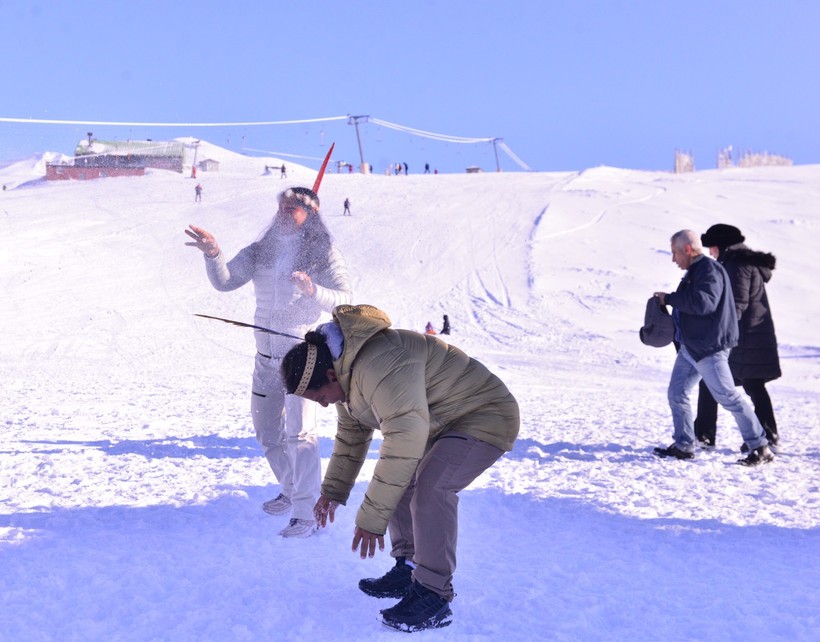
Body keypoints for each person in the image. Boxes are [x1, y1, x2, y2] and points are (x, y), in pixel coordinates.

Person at [280, 304, 519, 632]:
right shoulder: (347, 378)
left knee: (433, 488)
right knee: (405, 481)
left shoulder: (380, 363)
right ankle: (408, 567)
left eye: (319, 395)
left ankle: (434, 595)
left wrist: (371, 521)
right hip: (441, 423)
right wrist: (332, 492)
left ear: (331, 376)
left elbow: (404, 439)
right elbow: (352, 440)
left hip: (484, 415)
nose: (322, 403)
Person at [184, 186, 352, 537]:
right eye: (282, 206)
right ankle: (291, 489)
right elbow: (226, 282)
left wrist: (312, 291)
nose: (284, 212)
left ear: (311, 214)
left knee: (301, 434)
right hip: (264, 358)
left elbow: (345, 301)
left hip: (303, 357)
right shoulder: (262, 250)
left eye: (294, 208)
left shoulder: (323, 254)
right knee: (266, 431)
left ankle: (306, 514)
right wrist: (213, 254)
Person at [652, 230, 773, 466]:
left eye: (675, 253)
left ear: (687, 249)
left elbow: (704, 303)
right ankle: (684, 445)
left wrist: (670, 299)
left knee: (729, 397)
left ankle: (760, 446)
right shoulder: (696, 271)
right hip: (691, 347)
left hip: (709, 348)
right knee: (677, 394)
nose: (673, 259)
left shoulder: (708, 270)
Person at [693, 224, 781, 449]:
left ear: (721, 246)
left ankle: (704, 436)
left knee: (711, 381)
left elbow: (737, 305)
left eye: (712, 248)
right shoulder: (741, 262)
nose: (711, 253)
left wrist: (719, 331)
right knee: (752, 385)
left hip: (743, 338)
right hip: (751, 337)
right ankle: (768, 435)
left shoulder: (737, 265)